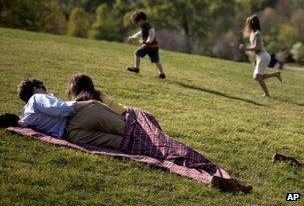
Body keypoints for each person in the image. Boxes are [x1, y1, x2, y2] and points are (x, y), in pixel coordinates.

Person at [16, 75, 251, 192]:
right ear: (37, 89)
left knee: (128, 146)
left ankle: (204, 175)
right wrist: (83, 104)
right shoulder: (38, 97)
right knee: (142, 136)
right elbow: (62, 108)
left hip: (75, 137)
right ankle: (200, 165)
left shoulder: (25, 118)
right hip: (83, 116)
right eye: (44, 88)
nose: (47, 91)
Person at [239, 15, 282, 97]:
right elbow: (257, 49)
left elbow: (257, 47)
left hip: (264, 56)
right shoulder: (253, 34)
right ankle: (275, 74)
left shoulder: (257, 34)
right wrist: (256, 59)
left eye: (248, 23)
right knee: (257, 77)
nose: (247, 25)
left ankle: (267, 94)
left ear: (252, 24)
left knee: (257, 77)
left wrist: (245, 48)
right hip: (261, 56)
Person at [127, 11, 166, 79]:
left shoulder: (149, 26)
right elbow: (140, 33)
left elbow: (152, 34)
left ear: (141, 20)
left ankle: (137, 68)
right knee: (155, 60)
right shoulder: (143, 26)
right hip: (152, 46)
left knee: (138, 54)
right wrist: (132, 37)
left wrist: (148, 41)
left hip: (149, 46)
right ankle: (161, 73)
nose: (136, 24)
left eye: (136, 22)